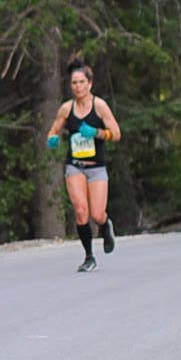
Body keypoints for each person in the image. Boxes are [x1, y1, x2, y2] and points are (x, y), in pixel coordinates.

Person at [47, 56, 120, 272]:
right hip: (75, 165)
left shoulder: (100, 106)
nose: (78, 87)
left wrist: (97, 132)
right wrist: (52, 139)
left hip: (96, 167)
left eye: (81, 82)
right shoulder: (66, 109)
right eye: (74, 83)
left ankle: (105, 226)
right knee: (80, 211)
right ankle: (89, 256)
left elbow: (116, 134)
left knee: (97, 214)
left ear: (89, 83)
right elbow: (53, 130)